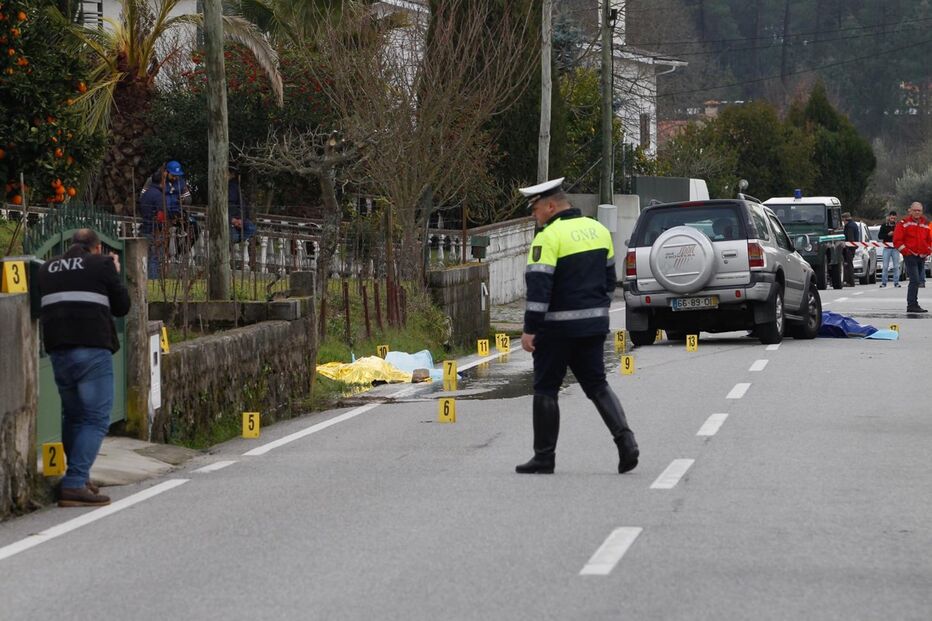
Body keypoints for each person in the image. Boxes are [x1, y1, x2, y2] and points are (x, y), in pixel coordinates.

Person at [515, 178, 639, 475]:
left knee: (546, 388)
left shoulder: (548, 237)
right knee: (597, 384)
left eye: (535, 209)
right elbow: (610, 280)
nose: (534, 215)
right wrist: (596, 311)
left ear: (551, 205)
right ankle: (627, 442)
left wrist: (530, 328)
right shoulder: (598, 230)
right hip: (593, 326)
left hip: (555, 330)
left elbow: (539, 288)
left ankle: (544, 457)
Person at [38, 229, 131, 507]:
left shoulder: (47, 268)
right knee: (95, 418)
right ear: (97, 248)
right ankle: (76, 482)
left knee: (74, 415)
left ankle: (79, 477)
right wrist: (113, 270)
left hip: (57, 350)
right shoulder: (101, 264)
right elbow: (122, 307)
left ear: (71, 245)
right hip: (91, 349)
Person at [139, 160, 195, 278]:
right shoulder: (154, 181)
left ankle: (180, 252)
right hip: (159, 221)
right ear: (165, 173)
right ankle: (154, 278)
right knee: (156, 255)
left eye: (177, 176)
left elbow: (188, 198)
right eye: (173, 175)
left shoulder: (180, 182)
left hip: (175, 215)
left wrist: (183, 200)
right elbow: (144, 198)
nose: (175, 178)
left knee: (195, 228)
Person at [893, 202, 931, 313]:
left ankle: (913, 304)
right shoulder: (903, 223)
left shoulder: (927, 223)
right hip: (910, 256)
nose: (917, 212)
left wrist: (928, 250)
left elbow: (930, 239)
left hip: (922, 256)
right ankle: (912, 305)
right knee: (914, 280)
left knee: (918, 280)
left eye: (919, 210)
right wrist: (906, 252)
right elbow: (897, 240)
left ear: (922, 211)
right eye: (915, 210)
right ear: (910, 210)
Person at [228, 165, 256, 244]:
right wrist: (231, 220)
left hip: (238, 219)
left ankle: (237, 239)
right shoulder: (221, 188)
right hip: (227, 219)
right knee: (233, 236)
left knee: (251, 228)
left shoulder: (236, 187)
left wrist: (241, 220)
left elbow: (243, 206)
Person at [878, 210, 900, 288]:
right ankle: (884, 283)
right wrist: (888, 234)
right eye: (891, 218)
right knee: (885, 266)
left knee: (896, 266)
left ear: (896, 218)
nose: (893, 219)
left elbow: (901, 236)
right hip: (887, 248)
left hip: (895, 248)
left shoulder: (898, 226)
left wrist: (895, 235)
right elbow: (880, 236)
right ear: (889, 217)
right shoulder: (884, 225)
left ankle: (896, 282)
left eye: (894, 218)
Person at [842, 211, 859, 286]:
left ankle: (850, 282)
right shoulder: (854, 224)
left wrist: (847, 247)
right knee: (849, 264)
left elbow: (850, 238)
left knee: (848, 265)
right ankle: (850, 281)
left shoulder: (849, 226)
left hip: (849, 248)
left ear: (845, 219)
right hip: (853, 247)